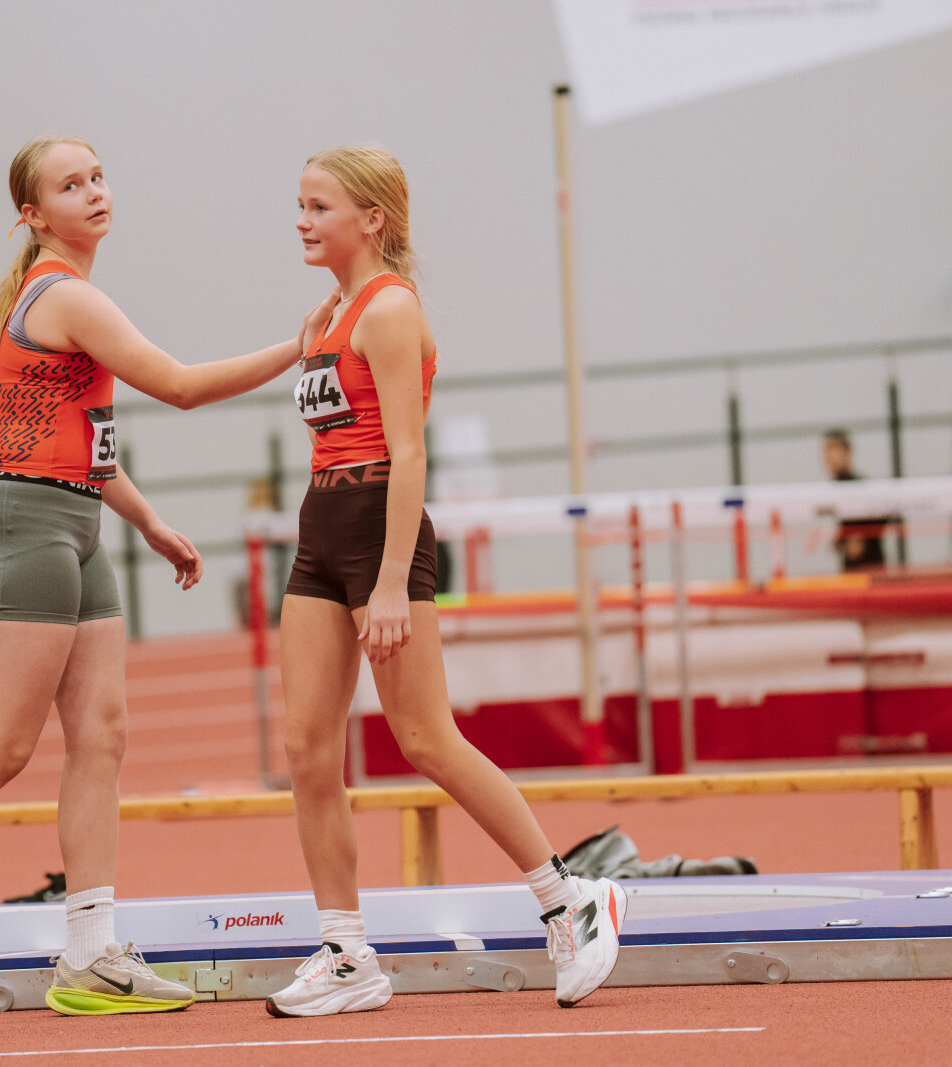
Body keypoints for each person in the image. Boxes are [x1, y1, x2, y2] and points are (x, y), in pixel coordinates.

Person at [0, 136, 338, 1028]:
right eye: (70, 184)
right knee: (3, 745)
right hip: (27, 524)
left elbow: (84, 441)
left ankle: (90, 952)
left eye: (98, 177)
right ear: (33, 214)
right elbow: (181, 387)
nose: (94, 192)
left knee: (103, 734)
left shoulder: (63, 297)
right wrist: (300, 344)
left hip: (76, 521)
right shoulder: (65, 296)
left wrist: (147, 520)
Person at [267, 147, 627, 1019]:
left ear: (372, 219)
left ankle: (568, 896)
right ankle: (347, 952)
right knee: (308, 749)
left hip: (379, 531)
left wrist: (393, 581)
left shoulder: (390, 309)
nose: (302, 221)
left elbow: (409, 452)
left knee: (426, 736)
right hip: (320, 527)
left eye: (319, 206)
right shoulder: (329, 314)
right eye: (300, 205)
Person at [822, 429, 886, 572]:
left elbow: (884, 512)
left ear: (847, 452)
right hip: (854, 566)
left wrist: (860, 537)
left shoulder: (857, 484)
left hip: (869, 566)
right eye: (826, 449)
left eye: (833, 448)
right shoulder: (839, 485)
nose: (828, 455)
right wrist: (840, 540)